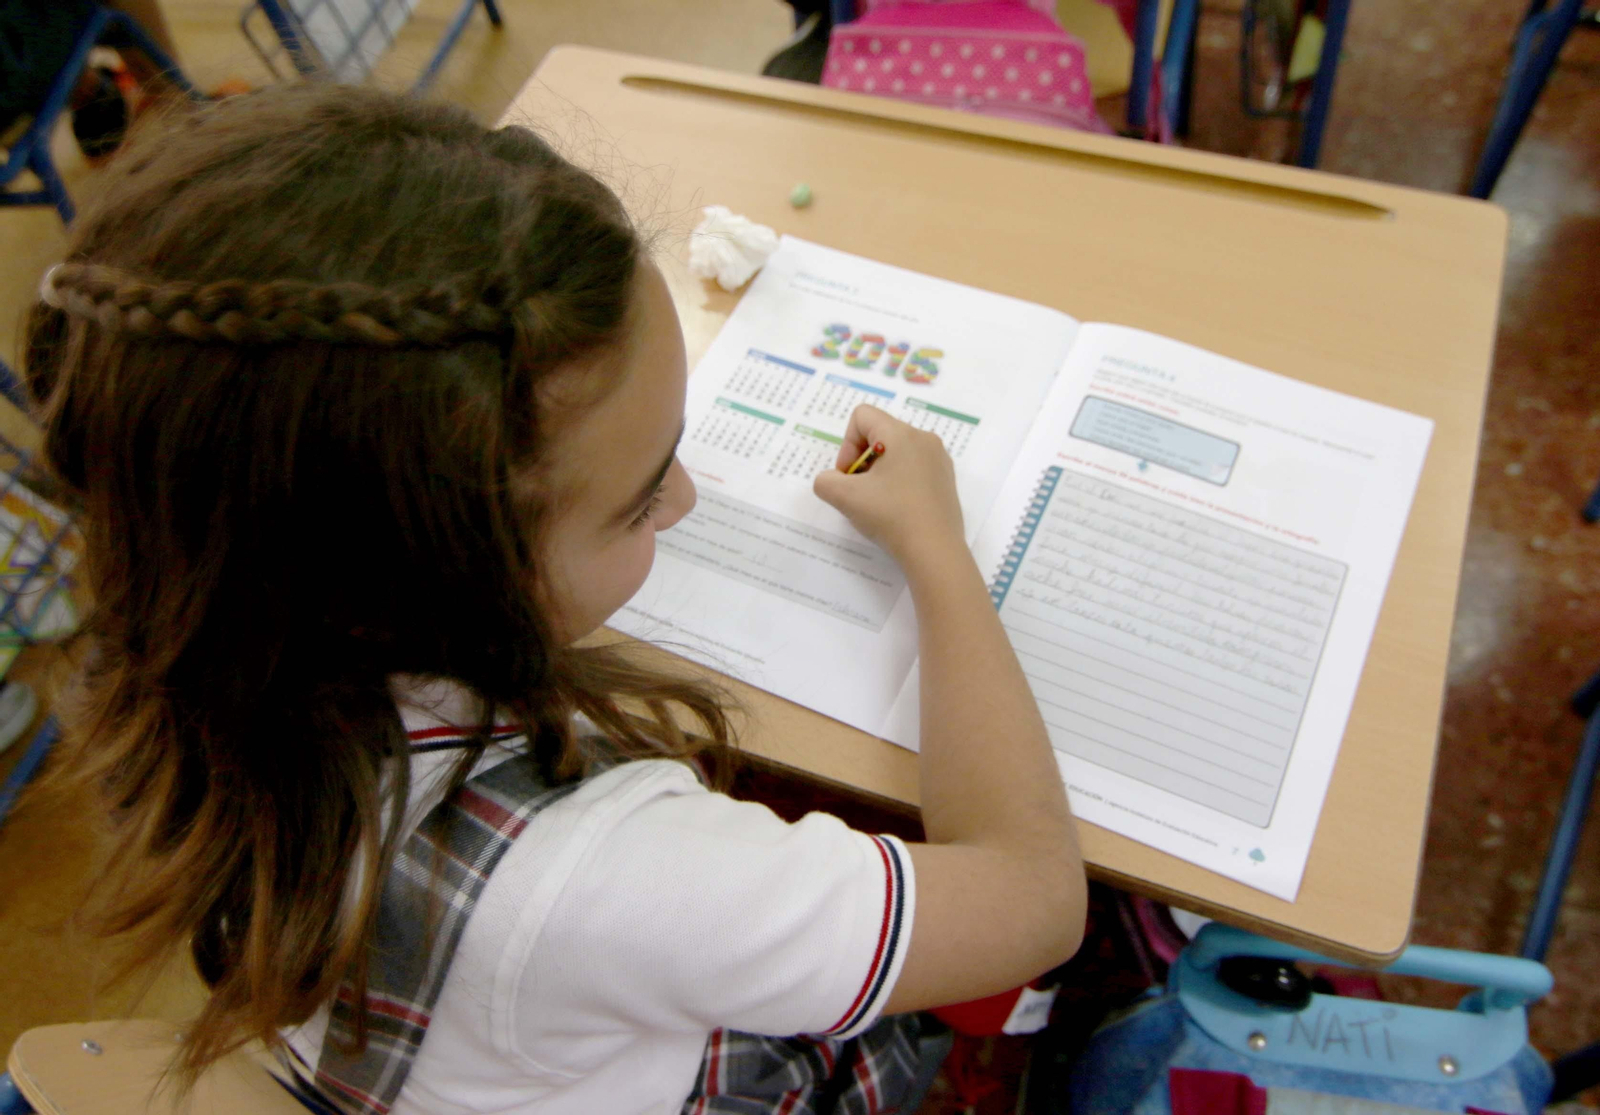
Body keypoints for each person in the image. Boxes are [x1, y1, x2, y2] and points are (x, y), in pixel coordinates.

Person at [22, 84, 1086, 1114]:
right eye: (634, 499)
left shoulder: (191, 626)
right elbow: (1034, 897)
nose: (684, 499)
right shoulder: (609, 872)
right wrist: (940, 552)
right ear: (437, 578)